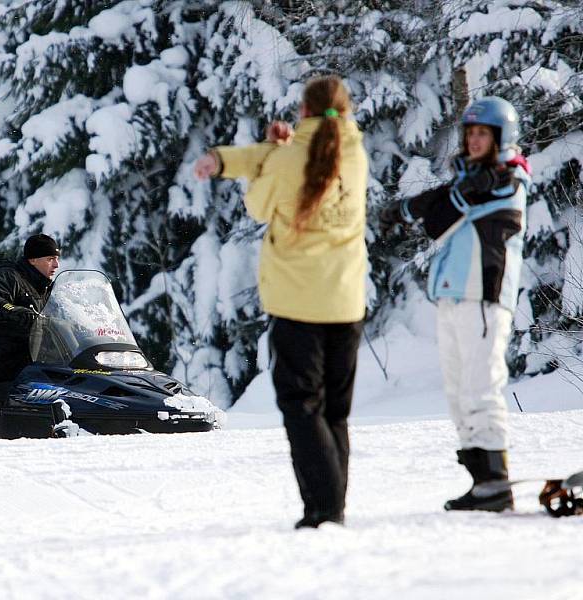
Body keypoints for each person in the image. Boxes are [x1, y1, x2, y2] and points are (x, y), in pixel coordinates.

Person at [194, 75, 369, 529]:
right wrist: (276, 152)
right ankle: (333, 508)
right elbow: (293, 158)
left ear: (303, 111)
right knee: (334, 411)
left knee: (301, 405)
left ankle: (324, 510)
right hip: (347, 301)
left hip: (297, 304)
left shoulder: (288, 159)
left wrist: (257, 158)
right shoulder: (356, 156)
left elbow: (258, 203)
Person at [379, 96, 531, 512]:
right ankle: (481, 480)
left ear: (502, 137)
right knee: (458, 392)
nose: (476, 140)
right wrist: (403, 209)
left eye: (484, 132)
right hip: (454, 294)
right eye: (471, 133)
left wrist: (417, 211)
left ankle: (496, 483)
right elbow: (443, 199)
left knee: (481, 388)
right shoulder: (474, 178)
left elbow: (441, 216)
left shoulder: (506, 179)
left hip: (482, 295)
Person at [0, 233, 60, 381]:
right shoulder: (8, 276)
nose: (56, 265)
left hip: (35, 360)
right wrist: (15, 311)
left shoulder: (43, 286)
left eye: (57, 259)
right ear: (32, 260)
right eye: (50, 259)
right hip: (9, 363)